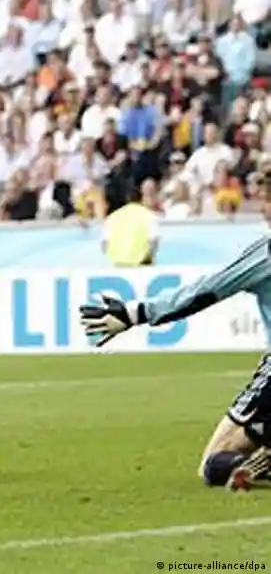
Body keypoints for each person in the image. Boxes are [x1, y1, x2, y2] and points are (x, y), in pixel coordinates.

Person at [79, 181, 271, 491]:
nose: (263, 209)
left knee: (213, 463)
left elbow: (207, 291)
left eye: (267, 201)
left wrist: (135, 313)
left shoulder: (266, 253)